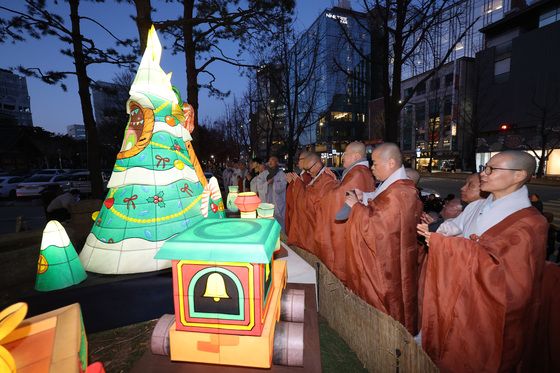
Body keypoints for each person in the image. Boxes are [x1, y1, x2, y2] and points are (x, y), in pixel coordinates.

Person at [417, 151, 547, 372]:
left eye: (491, 170)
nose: (483, 175)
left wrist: (450, 247)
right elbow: (463, 233)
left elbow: (512, 280)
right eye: (484, 168)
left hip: (488, 308)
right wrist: (443, 236)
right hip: (462, 292)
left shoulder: (531, 223)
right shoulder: (481, 205)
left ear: (519, 175)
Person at [344, 143, 423, 334]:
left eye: (375, 164)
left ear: (391, 163)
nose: (372, 168)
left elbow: (379, 228)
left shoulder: (401, 192)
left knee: (388, 300)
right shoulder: (397, 186)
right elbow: (382, 205)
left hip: (387, 262)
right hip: (392, 255)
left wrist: (356, 207)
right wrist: (366, 197)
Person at [312, 142, 375, 283]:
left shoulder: (358, 173)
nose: (343, 157)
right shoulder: (358, 172)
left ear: (356, 156)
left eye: (346, 154)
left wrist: (328, 184)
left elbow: (339, 197)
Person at [285, 152, 311, 239]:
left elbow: (303, 195)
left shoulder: (307, 176)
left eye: (300, 160)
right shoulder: (302, 175)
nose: (298, 162)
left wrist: (292, 183)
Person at [265, 156, 287, 230]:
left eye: (272, 160)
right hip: (269, 201)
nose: (270, 162)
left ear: (277, 162)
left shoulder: (281, 174)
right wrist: (267, 184)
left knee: (280, 222)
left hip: (279, 203)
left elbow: (282, 186)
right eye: (269, 160)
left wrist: (274, 182)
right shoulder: (267, 174)